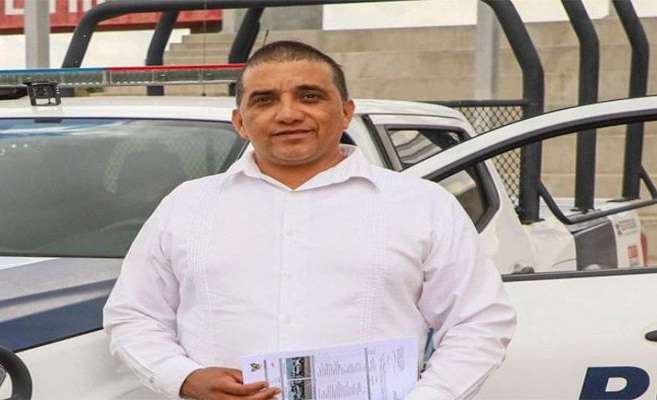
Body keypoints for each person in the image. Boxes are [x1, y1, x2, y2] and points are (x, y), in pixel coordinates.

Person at [103, 40, 516, 400]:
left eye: (310, 96)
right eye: (264, 100)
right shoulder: (187, 206)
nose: (288, 114)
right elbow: (135, 315)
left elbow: (477, 322)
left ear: (346, 111)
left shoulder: (422, 205)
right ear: (240, 121)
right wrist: (184, 378)